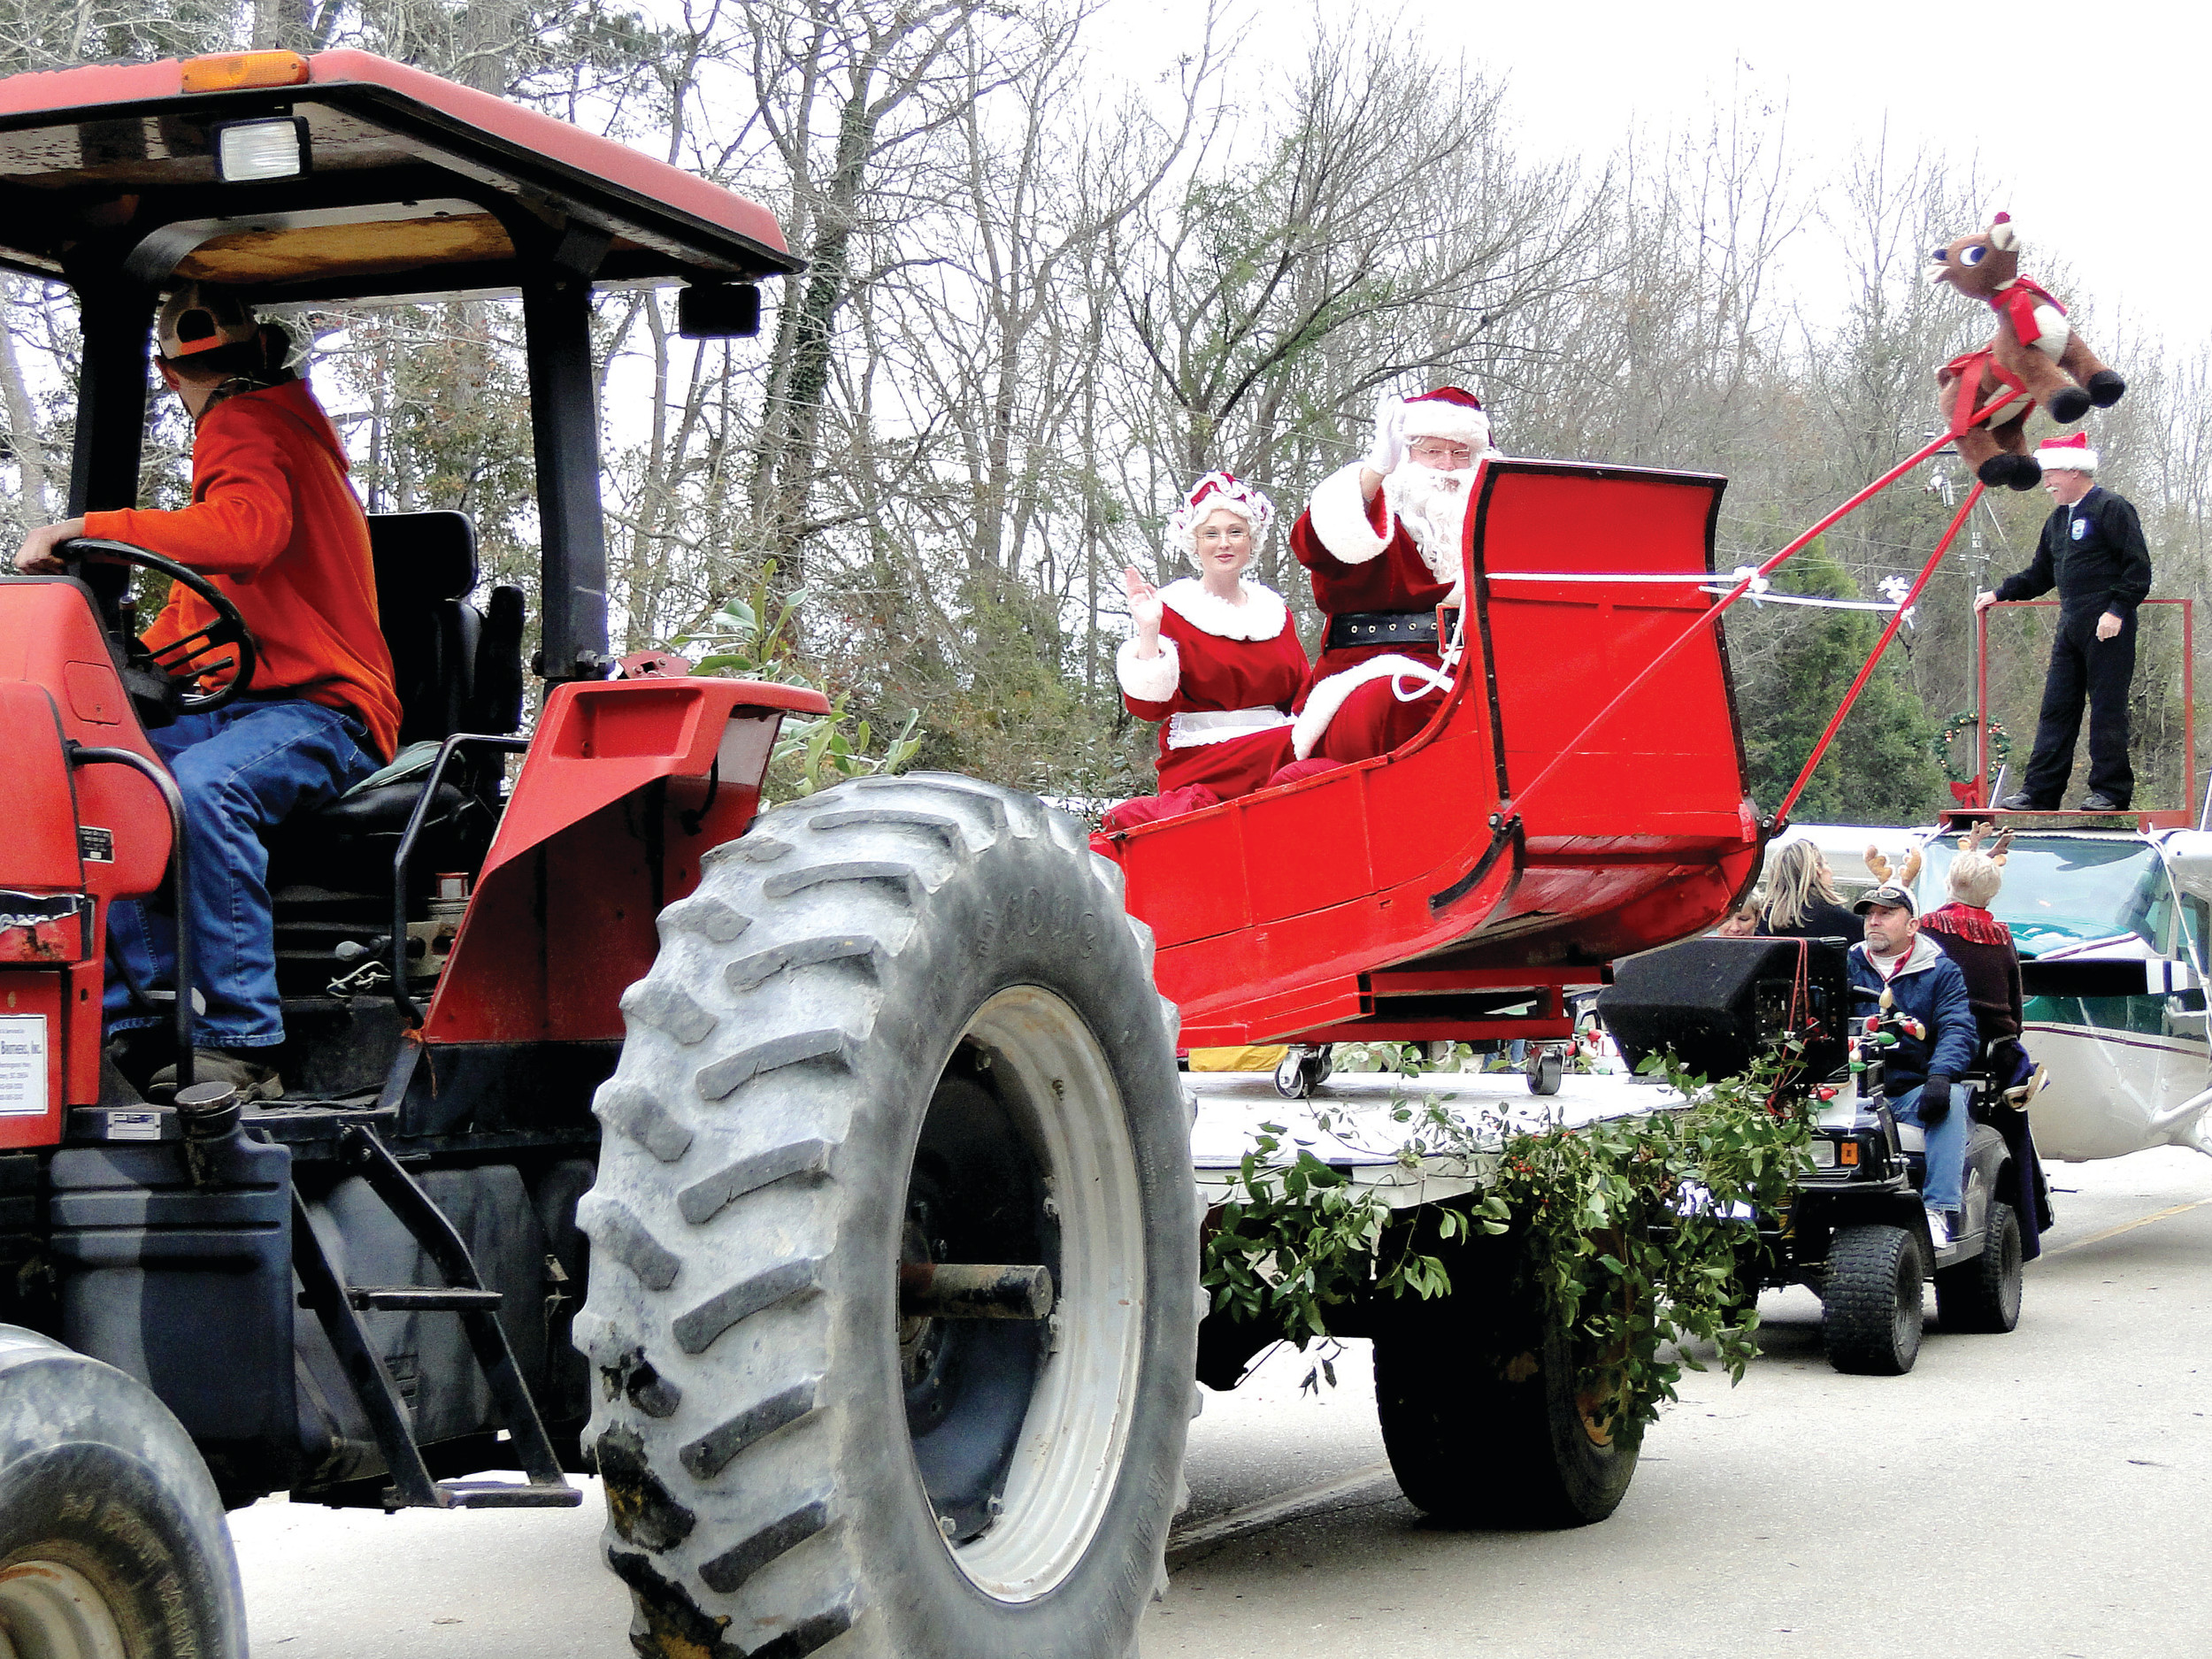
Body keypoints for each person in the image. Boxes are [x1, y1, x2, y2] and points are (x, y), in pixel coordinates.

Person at [13, 283, 401, 1098]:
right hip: (245, 707)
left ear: (168, 375)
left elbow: (245, 533)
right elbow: (197, 613)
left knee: (202, 786)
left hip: (327, 712)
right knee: (97, 773)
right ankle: (134, 1019)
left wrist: (89, 529)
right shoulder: (272, 439)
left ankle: (239, 1037)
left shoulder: (246, 422)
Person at [1273, 387, 1501, 774]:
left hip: (1475, 667)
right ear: (1406, 456)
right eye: (1433, 451)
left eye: (1461, 453)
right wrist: (1374, 473)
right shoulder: (1379, 512)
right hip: (1371, 668)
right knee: (1405, 699)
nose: (1448, 467)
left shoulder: (1495, 525)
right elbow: (1312, 544)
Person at [1104, 472, 1307, 833]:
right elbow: (1150, 709)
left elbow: (1302, 693)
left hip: (1278, 751)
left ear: (1251, 540)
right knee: (1306, 744)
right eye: (1211, 534)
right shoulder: (1172, 608)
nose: (1223, 543)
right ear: (1195, 544)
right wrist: (1149, 630)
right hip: (1203, 758)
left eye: (1235, 532)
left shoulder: (1276, 612)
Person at [1976, 430, 2152, 811]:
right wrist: (2001, 592)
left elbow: (2137, 569)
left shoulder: (2111, 507)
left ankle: (2111, 791)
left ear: (2074, 471)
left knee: (2107, 708)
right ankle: (2040, 791)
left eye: (2051, 474)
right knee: (2056, 707)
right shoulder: (2057, 520)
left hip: (2107, 624)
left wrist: (2117, 611)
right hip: (2071, 623)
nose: (2047, 483)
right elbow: (2041, 574)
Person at [1848, 882, 1978, 1242]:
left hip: (1909, 1091)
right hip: (1849, 1091)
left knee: (1951, 1100)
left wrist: (1941, 1076)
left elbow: (1958, 1028)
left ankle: (1938, 1211)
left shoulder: (1941, 971)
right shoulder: (1844, 965)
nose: (1874, 921)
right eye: (1869, 914)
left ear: (1912, 926)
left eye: (1886, 914)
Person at [1758, 840, 1864, 942]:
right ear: (1817, 868)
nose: (1830, 871)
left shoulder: (1758, 919)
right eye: (1826, 864)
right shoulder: (1845, 921)